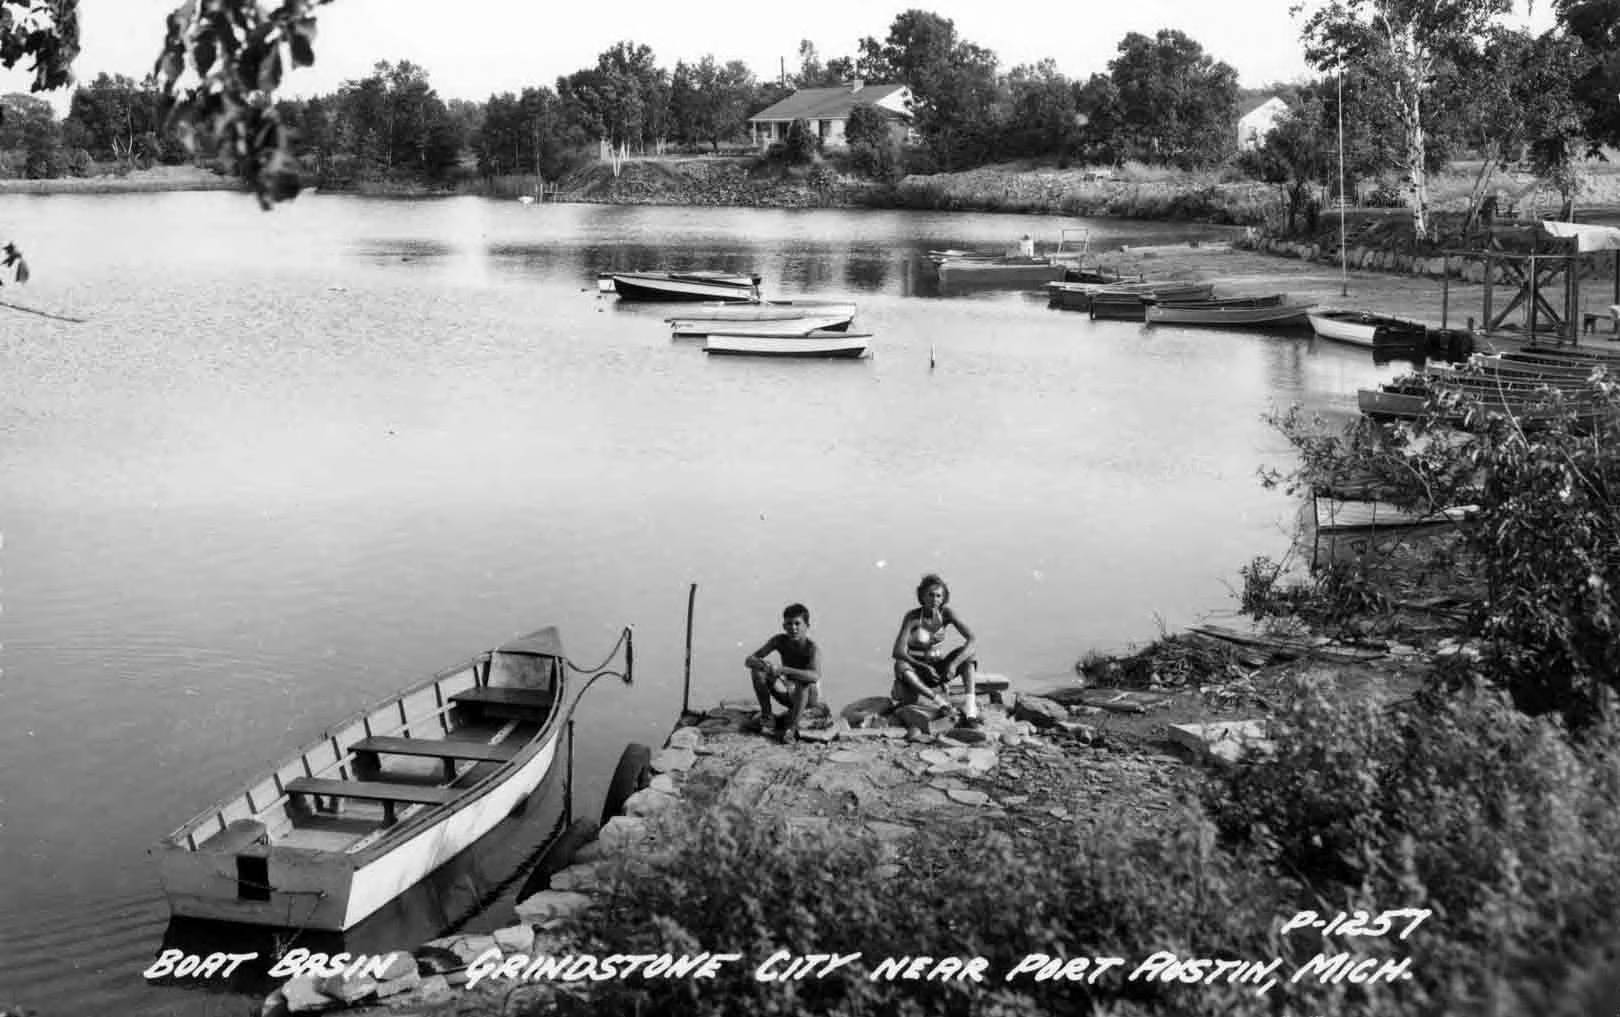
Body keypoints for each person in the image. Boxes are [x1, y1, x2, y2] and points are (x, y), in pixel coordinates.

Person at [890, 573, 981, 728]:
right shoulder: (912, 617)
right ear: (922, 596)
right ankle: (940, 702)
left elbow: (972, 639)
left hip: (938, 667)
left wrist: (953, 665)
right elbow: (897, 651)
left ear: (944, 598)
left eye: (939, 596)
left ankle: (970, 708)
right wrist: (922, 667)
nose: (935, 599)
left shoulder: (947, 614)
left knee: (969, 656)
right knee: (900, 664)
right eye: (930, 595)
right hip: (918, 669)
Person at [744, 603, 822, 744]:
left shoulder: (812, 649)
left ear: (807, 625)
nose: (793, 628)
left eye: (798, 624)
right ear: (783, 626)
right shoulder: (779, 640)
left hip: (807, 698)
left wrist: (784, 670)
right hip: (788, 692)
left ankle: (791, 729)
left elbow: (815, 676)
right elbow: (749, 660)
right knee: (758, 672)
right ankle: (768, 718)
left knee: (803, 683)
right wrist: (764, 666)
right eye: (789, 624)